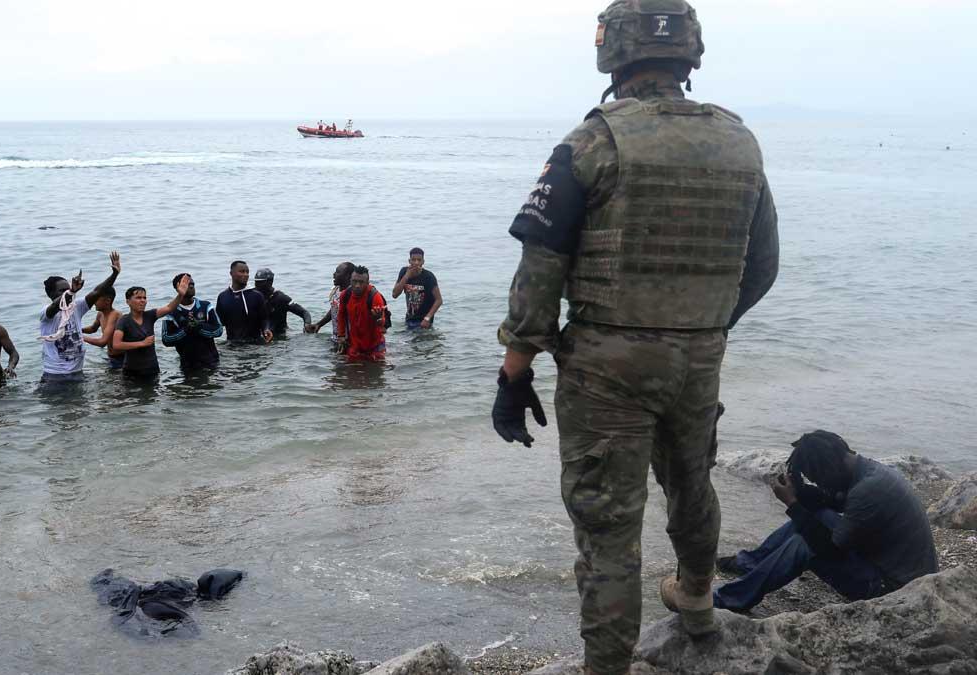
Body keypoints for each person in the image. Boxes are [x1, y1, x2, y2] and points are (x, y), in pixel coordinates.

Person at [490, 2, 780, 673]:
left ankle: (608, 667)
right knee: (692, 482)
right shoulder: (740, 143)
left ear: (613, 55)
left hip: (607, 366)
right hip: (699, 355)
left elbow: (541, 268)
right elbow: (763, 265)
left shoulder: (594, 141)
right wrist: (705, 325)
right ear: (689, 54)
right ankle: (698, 601)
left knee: (609, 526)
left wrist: (514, 371)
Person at [714, 431, 938, 612]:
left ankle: (731, 598)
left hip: (896, 590)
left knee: (803, 545)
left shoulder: (867, 491)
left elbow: (829, 548)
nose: (821, 485)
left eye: (819, 479)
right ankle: (749, 564)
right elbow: (834, 501)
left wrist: (792, 503)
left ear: (829, 468)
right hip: (897, 570)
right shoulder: (869, 472)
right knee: (818, 516)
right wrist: (801, 492)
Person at [38, 251, 121, 383]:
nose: (67, 292)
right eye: (62, 290)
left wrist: (114, 274)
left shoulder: (77, 306)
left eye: (68, 288)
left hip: (77, 372)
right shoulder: (46, 313)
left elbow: (97, 291)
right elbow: (55, 305)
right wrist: (71, 291)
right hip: (55, 375)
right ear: (51, 294)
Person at [110, 278, 189, 380]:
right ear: (128, 301)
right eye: (138, 298)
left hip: (152, 369)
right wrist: (142, 343)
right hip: (132, 372)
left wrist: (180, 295)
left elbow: (169, 308)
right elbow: (116, 345)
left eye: (144, 297)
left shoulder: (150, 315)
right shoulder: (124, 320)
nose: (143, 300)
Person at [159, 273, 223, 373]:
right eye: (187, 283)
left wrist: (199, 327)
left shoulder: (206, 306)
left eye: (192, 283)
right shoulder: (171, 312)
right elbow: (166, 339)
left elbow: (218, 330)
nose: (191, 285)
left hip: (212, 361)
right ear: (177, 288)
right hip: (188, 365)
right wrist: (185, 330)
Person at [335, 266, 387, 360]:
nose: (357, 285)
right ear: (350, 281)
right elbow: (341, 315)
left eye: (361, 282)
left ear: (367, 283)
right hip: (355, 345)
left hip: (375, 345)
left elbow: (382, 324)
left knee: (378, 367)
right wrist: (341, 335)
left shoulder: (375, 297)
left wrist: (378, 318)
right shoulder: (345, 295)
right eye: (354, 281)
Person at [216, 261, 272, 343]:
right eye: (242, 271)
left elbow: (264, 319)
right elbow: (219, 322)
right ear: (231, 273)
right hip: (232, 344)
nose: (246, 275)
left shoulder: (257, 296)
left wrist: (266, 329)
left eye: (247, 272)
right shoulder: (223, 297)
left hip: (255, 344)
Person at [253, 268, 314, 336]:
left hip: (280, 335)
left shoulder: (281, 298)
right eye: (256, 282)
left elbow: (304, 313)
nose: (257, 285)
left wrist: (307, 324)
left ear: (270, 282)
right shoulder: (252, 296)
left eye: (261, 282)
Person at [391, 247, 443, 329]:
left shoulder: (428, 276)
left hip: (424, 321)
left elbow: (439, 300)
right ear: (409, 261)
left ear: (423, 262)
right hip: (409, 318)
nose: (416, 263)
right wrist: (407, 276)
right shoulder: (404, 272)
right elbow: (395, 294)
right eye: (413, 260)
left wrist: (427, 318)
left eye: (419, 260)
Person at [310, 262, 355, 339]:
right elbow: (334, 309)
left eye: (338, 272)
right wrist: (319, 324)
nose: (334, 274)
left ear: (348, 276)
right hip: (336, 337)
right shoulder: (336, 290)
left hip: (347, 340)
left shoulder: (352, 294)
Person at [82, 286, 124, 369]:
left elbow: (102, 342)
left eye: (96, 299)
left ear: (107, 301)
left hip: (122, 358)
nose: (94, 302)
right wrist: (78, 330)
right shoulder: (100, 314)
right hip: (111, 356)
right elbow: (93, 329)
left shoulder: (115, 315)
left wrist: (80, 337)